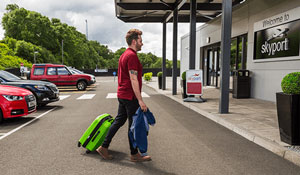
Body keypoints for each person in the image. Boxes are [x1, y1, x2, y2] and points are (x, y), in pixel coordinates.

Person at [96, 29, 151, 162]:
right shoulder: (131, 56)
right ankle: (134, 154)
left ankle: (104, 147)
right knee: (133, 126)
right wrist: (140, 100)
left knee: (119, 121)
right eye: (140, 41)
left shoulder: (124, 54)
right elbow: (133, 79)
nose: (142, 44)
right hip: (129, 96)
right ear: (134, 41)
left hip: (122, 94)